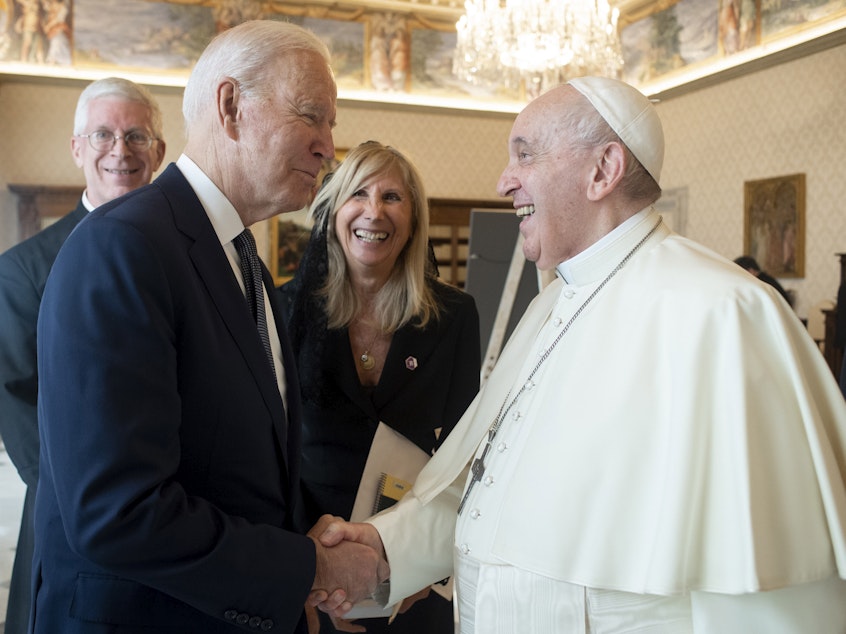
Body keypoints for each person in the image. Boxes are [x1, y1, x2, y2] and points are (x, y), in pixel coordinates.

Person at [312, 76, 846, 632]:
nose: (503, 182)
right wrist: (382, 549)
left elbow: (766, 590)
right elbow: (488, 492)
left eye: (525, 155)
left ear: (603, 170)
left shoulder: (723, 312)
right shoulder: (551, 306)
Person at [32, 20, 386, 634]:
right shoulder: (123, 247)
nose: (330, 146)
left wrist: (309, 539)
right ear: (231, 107)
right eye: (313, 116)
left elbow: (236, 472)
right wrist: (310, 568)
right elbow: (119, 512)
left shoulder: (248, 265)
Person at [279, 141, 481, 633]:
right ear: (332, 212)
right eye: (358, 194)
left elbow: (465, 458)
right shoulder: (284, 310)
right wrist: (308, 573)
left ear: (413, 220)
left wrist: (419, 569)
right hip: (312, 566)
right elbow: (271, 456)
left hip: (411, 566)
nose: (374, 211)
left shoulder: (454, 316)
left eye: (392, 197)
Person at [0, 75, 166, 634]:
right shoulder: (23, 270)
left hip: (174, 521)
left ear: (159, 152)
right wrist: (95, 506)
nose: (121, 151)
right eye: (102, 135)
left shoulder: (186, 261)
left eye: (137, 136)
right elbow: (19, 401)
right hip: (69, 517)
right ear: (77, 148)